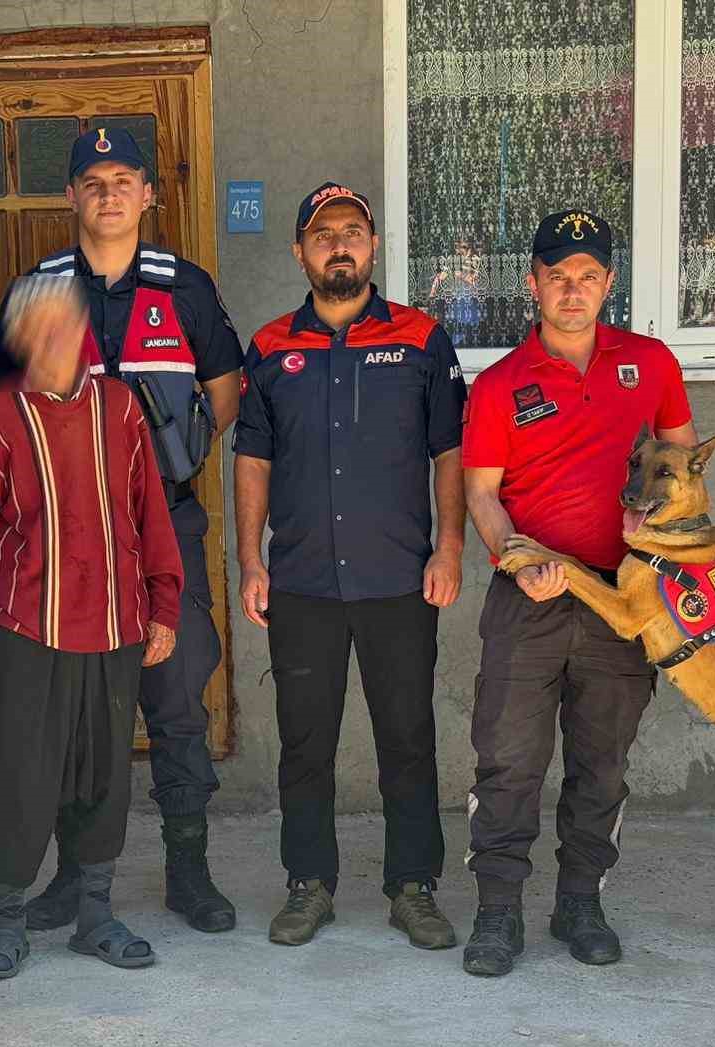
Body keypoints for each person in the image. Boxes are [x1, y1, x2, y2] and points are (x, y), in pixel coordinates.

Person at [0, 127, 243, 934]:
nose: (108, 194)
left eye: (123, 179)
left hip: (164, 523)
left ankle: (187, 870)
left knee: (176, 702)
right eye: (91, 181)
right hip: (65, 543)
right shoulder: (38, 290)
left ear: (149, 194)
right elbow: (4, 406)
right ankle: (71, 876)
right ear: (70, 196)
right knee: (68, 714)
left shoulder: (186, 288)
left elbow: (224, 394)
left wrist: (170, 462)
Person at [460, 209, 697, 978]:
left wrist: (669, 557)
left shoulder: (652, 364)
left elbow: (684, 474)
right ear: (533, 284)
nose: (573, 290)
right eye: (558, 276)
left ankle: (581, 901)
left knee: (602, 762)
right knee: (507, 759)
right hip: (529, 596)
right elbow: (483, 495)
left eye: (588, 277)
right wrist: (514, 558)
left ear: (608, 284)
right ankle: (498, 912)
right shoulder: (500, 385)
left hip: (620, 602)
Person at [234, 182, 467, 949]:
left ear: (372, 246)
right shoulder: (269, 349)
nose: (340, 243)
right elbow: (254, 461)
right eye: (324, 233)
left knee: (407, 736)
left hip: (400, 578)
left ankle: (413, 887)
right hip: (301, 582)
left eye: (354, 232)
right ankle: (309, 884)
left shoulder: (422, 340)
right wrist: (251, 561)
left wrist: (451, 545)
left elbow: (450, 454)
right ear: (300, 251)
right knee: (306, 743)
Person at [0, 275, 182, 980]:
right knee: (24, 772)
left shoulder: (121, 407)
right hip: (24, 625)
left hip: (114, 624)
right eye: (40, 328)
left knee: (105, 772)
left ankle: (95, 914)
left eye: (67, 325)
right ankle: (11, 917)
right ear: (19, 339)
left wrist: (164, 602)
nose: (55, 339)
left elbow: (151, 515)